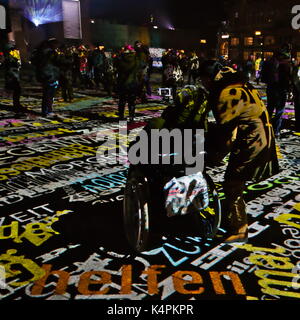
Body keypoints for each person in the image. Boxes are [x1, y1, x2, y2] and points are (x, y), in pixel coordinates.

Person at [198, 60, 280, 243]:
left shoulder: (224, 93)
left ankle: (240, 229)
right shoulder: (238, 82)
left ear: (208, 78)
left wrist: (214, 156)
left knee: (232, 184)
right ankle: (232, 218)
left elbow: (229, 135)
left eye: (202, 80)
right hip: (263, 134)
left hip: (253, 140)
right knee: (235, 181)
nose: (202, 84)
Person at [261, 47, 292, 138]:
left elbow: (264, 77)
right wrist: (290, 89)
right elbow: (289, 78)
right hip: (281, 89)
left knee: (270, 108)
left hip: (271, 87)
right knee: (280, 110)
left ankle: (265, 127)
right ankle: (276, 130)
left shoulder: (269, 63)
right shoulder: (286, 65)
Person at [31, 38, 60, 117]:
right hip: (49, 75)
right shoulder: (49, 52)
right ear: (52, 44)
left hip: (46, 74)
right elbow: (56, 62)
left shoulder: (41, 51)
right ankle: (47, 111)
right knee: (49, 94)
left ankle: (46, 111)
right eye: (56, 44)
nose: (57, 46)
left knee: (47, 94)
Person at [115, 45, 140, 122]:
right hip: (133, 83)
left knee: (122, 101)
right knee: (132, 101)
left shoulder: (120, 59)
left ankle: (121, 117)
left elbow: (116, 66)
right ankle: (131, 117)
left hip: (122, 83)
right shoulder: (136, 60)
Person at [3, 41, 22, 110]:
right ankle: (16, 105)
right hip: (12, 74)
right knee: (16, 89)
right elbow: (14, 63)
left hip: (14, 73)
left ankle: (16, 104)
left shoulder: (12, 53)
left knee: (17, 90)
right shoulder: (10, 55)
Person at [292, 60, 300, 132]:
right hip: (298, 92)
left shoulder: (296, 68)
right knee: (298, 108)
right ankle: (298, 125)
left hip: (297, 91)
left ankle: (297, 124)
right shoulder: (297, 69)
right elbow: (295, 80)